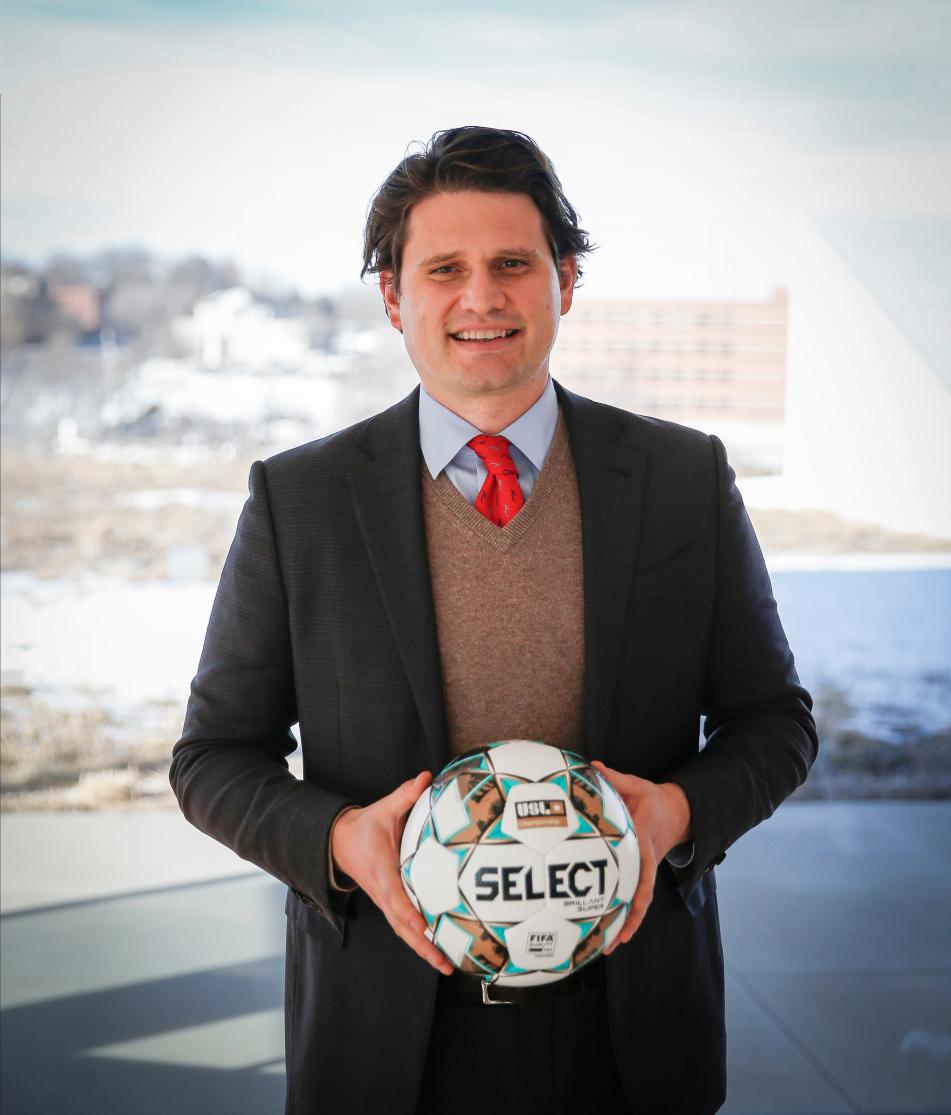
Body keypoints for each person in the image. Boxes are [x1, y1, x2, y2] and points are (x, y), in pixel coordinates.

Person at [170, 125, 817, 1115]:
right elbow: (213, 757)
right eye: (444, 268)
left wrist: (675, 815)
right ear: (394, 296)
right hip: (388, 1033)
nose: (482, 296)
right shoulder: (300, 499)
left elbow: (776, 721)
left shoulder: (684, 480)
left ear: (565, 279)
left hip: (632, 1024)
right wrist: (342, 837)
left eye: (514, 263)